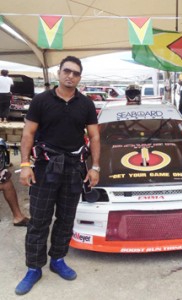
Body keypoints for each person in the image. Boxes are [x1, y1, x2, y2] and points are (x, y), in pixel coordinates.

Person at [15, 56, 100, 295]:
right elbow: (28, 134)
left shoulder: (85, 104)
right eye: (67, 71)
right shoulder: (41, 100)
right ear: (59, 73)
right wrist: (25, 164)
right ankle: (34, 267)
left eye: (75, 73)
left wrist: (95, 168)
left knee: (65, 218)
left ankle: (58, 260)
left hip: (74, 168)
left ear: (79, 77)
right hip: (45, 167)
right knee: (39, 219)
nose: (70, 76)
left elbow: (94, 137)